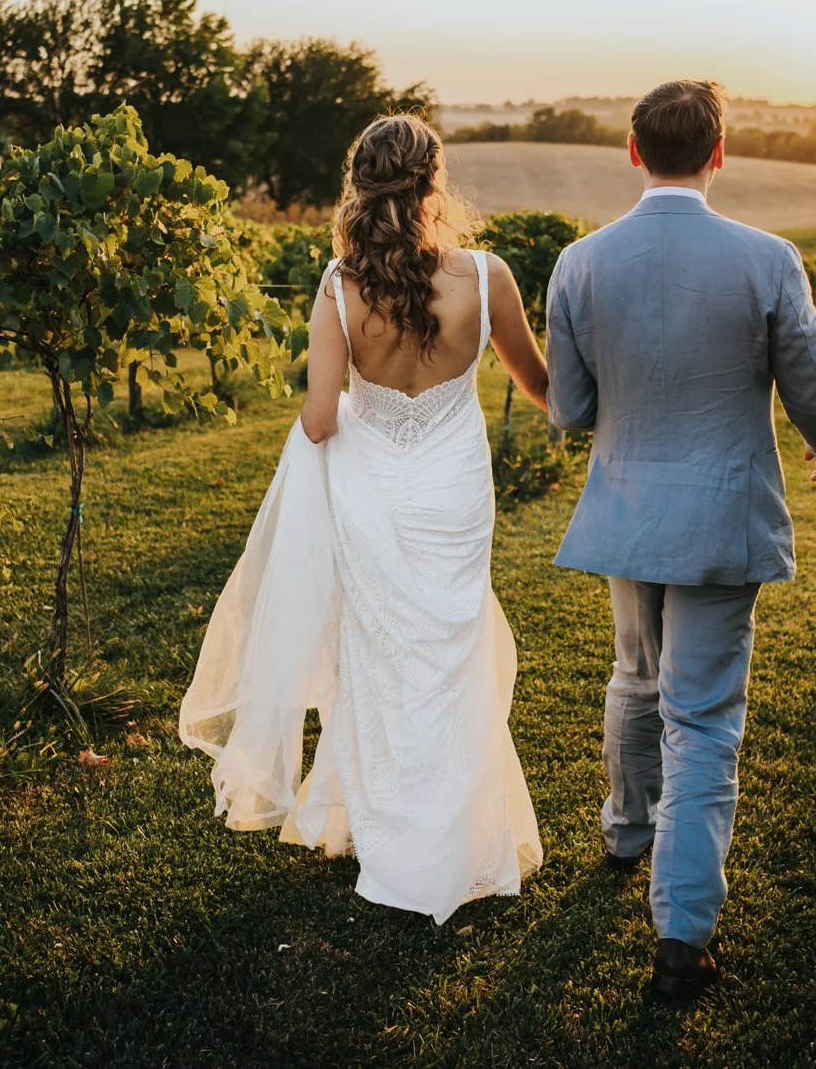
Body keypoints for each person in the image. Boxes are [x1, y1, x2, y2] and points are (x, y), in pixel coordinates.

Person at [180, 113, 546, 923]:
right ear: (434, 182)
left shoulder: (339, 286)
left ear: (361, 184)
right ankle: (456, 837)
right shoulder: (489, 278)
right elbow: (540, 384)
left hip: (375, 488)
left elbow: (318, 420)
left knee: (380, 653)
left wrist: (352, 396)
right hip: (455, 490)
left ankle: (388, 833)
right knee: (450, 649)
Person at [545, 79, 816, 997]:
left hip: (628, 510)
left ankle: (626, 830)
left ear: (634, 151)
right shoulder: (768, 258)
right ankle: (682, 935)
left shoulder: (578, 263)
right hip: (721, 517)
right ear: (720, 152)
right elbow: (814, 383)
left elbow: (569, 409)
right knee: (703, 714)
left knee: (636, 673)